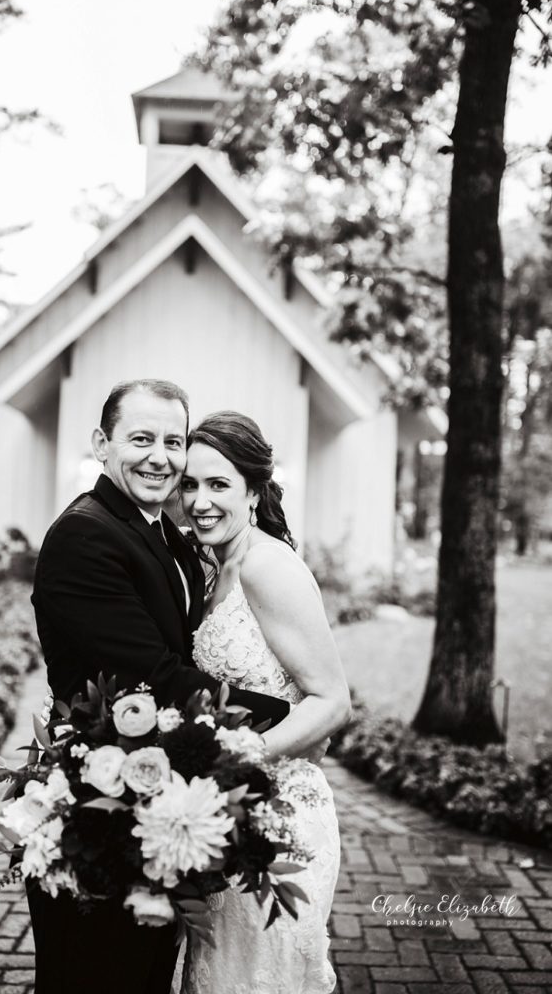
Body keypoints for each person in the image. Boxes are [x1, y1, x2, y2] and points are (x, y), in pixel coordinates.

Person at [28, 380, 291, 994]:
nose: (160, 457)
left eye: (173, 441)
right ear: (102, 443)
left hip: (149, 799)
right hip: (100, 815)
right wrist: (287, 709)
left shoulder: (158, 527)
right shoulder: (86, 535)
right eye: (140, 438)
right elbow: (160, 679)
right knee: (97, 976)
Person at [177, 410, 350, 994]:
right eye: (190, 484)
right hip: (235, 816)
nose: (199, 500)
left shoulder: (267, 566)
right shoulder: (214, 567)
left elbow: (332, 701)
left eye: (218, 484)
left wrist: (236, 758)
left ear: (253, 491)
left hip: (280, 827)